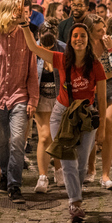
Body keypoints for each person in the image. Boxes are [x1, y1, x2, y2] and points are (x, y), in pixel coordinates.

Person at [20, 21, 107, 223]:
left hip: (86, 116)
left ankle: (75, 197)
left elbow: (101, 99)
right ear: (70, 40)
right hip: (61, 113)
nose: (79, 39)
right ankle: (75, 203)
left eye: (83, 36)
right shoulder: (61, 59)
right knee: (68, 159)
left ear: (88, 41)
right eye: (75, 36)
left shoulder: (96, 66)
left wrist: (102, 129)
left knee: (82, 163)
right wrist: (25, 26)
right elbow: (33, 47)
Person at [0, 0, 39, 204]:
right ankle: (4, 174)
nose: (22, 14)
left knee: (17, 141)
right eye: (17, 11)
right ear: (6, 11)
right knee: (2, 142)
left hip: (19, 97)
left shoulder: (26, 37)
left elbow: (32, 71)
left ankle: (15, 184)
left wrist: (33, 99)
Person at [83, 15, 112, 189]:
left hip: (110, 87)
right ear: (90, 31)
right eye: (99, 30)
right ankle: (90, 169)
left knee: (106, 125)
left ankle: (105, 175)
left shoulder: (109, 43)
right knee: (92, 129)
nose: (103, 32)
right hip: (90, 89)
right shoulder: (84, 46)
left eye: (104, 28)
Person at [33, 21, 65, 192]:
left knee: (58, 135)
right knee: (45, 136)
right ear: (39, 37)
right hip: (40, 96)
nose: (47, 48)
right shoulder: (33, 49)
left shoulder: (63, 48)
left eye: (50, 45)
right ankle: (42, 176)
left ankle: (59, 169)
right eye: (44, 45)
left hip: (60, 96)